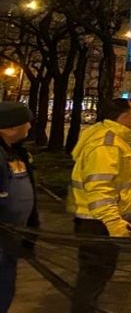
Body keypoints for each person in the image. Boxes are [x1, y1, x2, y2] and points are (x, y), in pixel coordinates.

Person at [66, 98, 131, 312]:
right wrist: (114, 223)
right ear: (123, 116)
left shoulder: (110, 137)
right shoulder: (106, 144)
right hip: (98, 223)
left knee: (95, 277)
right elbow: (99, 190)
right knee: (93, 278)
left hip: (97, 221)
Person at [0, 103, 38, 313]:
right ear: (11, 126)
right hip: (3, 240)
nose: (30, 127)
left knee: (6, 290)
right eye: (27, 123)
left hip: (11, 240)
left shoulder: (15, 153)